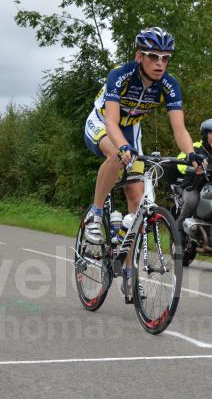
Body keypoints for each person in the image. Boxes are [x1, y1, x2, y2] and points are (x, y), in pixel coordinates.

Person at [82, 27, 197, 292]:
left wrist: (191, 154)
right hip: (102, 123)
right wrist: (123, 147)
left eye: (165, 58)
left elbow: (179, 130)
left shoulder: (169, 84)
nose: (160, 63)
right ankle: (95, 214)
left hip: (132, 129)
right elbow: (110, 121)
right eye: (153, 56)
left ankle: (127, 269)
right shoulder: (120, 76)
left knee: (138, 202)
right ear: (139, 56)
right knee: (116, 155)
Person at [174, 118, 212, 229]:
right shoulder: (194, 147)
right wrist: (192, 168)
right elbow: (180, 163)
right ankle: (178, 229)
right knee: (192, 200)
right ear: (205, 134)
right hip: (193, 185)